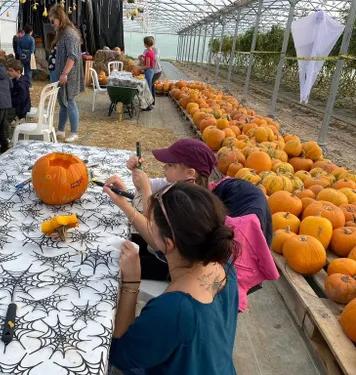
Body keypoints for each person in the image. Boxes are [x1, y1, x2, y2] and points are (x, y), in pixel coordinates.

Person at [104, 139, 278, 312]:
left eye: (170, 165)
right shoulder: (180, 189)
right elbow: (147, 188)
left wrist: (128, 204)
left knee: (113, 264)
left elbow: (155, 234)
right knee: (117, 244)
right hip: (169, 251)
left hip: (175, 265)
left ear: (189, 173)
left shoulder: (189, 209)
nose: (164, 167)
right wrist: (138, 178)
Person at [107, 182, 239, 374]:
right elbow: (167, 244)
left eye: (151, 224)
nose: (149, 226)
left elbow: (120, 354)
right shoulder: (224, 265)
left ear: (168, 243)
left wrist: (131, 283)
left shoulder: (174, 310)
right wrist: (124, 204)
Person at [49, 5, 84, 143]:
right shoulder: (63, 33)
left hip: (70, 74)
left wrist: (64, 73)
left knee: (70, 102)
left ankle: (74, 132)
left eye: (53, 21)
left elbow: (73, 56)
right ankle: (61, 130)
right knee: (63, 102)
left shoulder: (69, 33)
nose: (52, 25)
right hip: (63, 74)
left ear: (60, 18)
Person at [138, 37, 155, 111]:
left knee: (148, 88)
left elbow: (147, 65)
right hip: (151, 71)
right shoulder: (151, 51)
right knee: (149, 87)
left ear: (145, 44)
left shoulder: (148, 53)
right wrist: (144, 58)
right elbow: (150, 62)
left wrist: (139, 68)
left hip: (148, 71)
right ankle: (149, 104)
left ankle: (149, 105)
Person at [148, 37, 162, 106]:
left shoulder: (156, 50)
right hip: (150, 71)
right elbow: (144, 61)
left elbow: (155, 58)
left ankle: (150, 103)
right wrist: (141, 58)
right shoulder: (146, 51)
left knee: (150, 85)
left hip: (157, 72)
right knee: (151, 85)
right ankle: (152, 102)